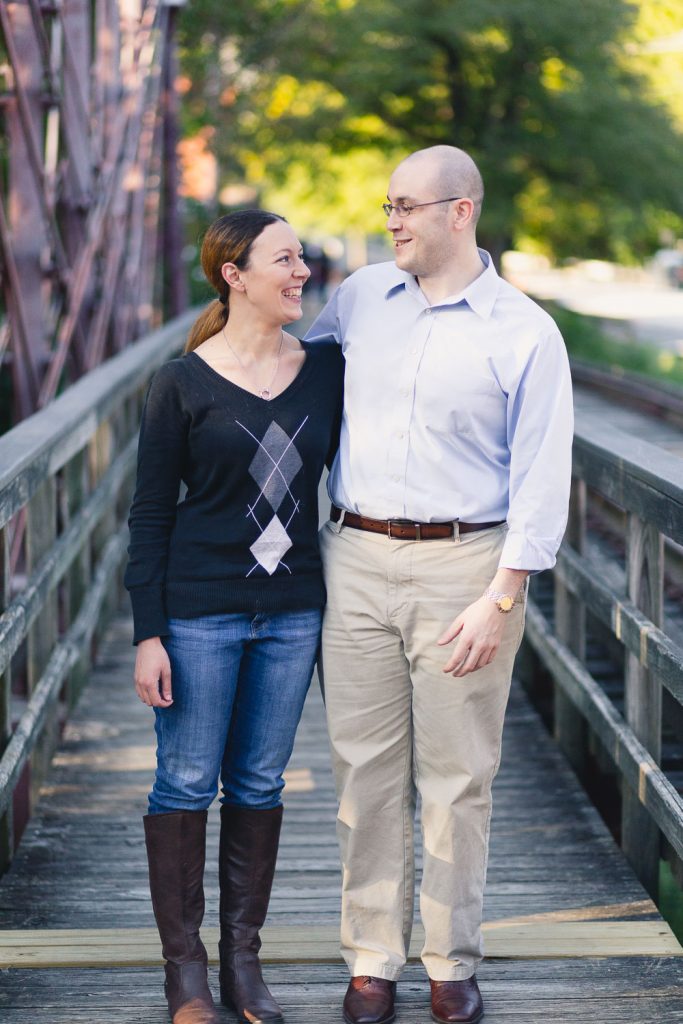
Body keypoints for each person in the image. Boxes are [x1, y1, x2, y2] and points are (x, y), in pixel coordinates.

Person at [306, 146, 573, 1024]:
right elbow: (287, 383)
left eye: (407, 206)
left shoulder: (523, 331)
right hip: (354, 557)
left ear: (459, 212)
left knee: (458, 777)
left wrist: (502, 596)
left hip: (467, 566)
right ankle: (372, 959)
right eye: (388, 204)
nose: (391, 221)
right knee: (363, 770)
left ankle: (450, 962)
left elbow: (541, 476)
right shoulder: (356, 303)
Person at [125, 209, 343, 1024]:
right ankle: (186, 972)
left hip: (291, 612)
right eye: (284, 260)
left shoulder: (325, 369)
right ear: (234, 274)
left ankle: (242, 963)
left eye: (301, 259)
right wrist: (149, 633)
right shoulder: (180, 383)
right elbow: (149, 515)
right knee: (183, 781)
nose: (301, 273)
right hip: (199, 612)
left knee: (257, 781)